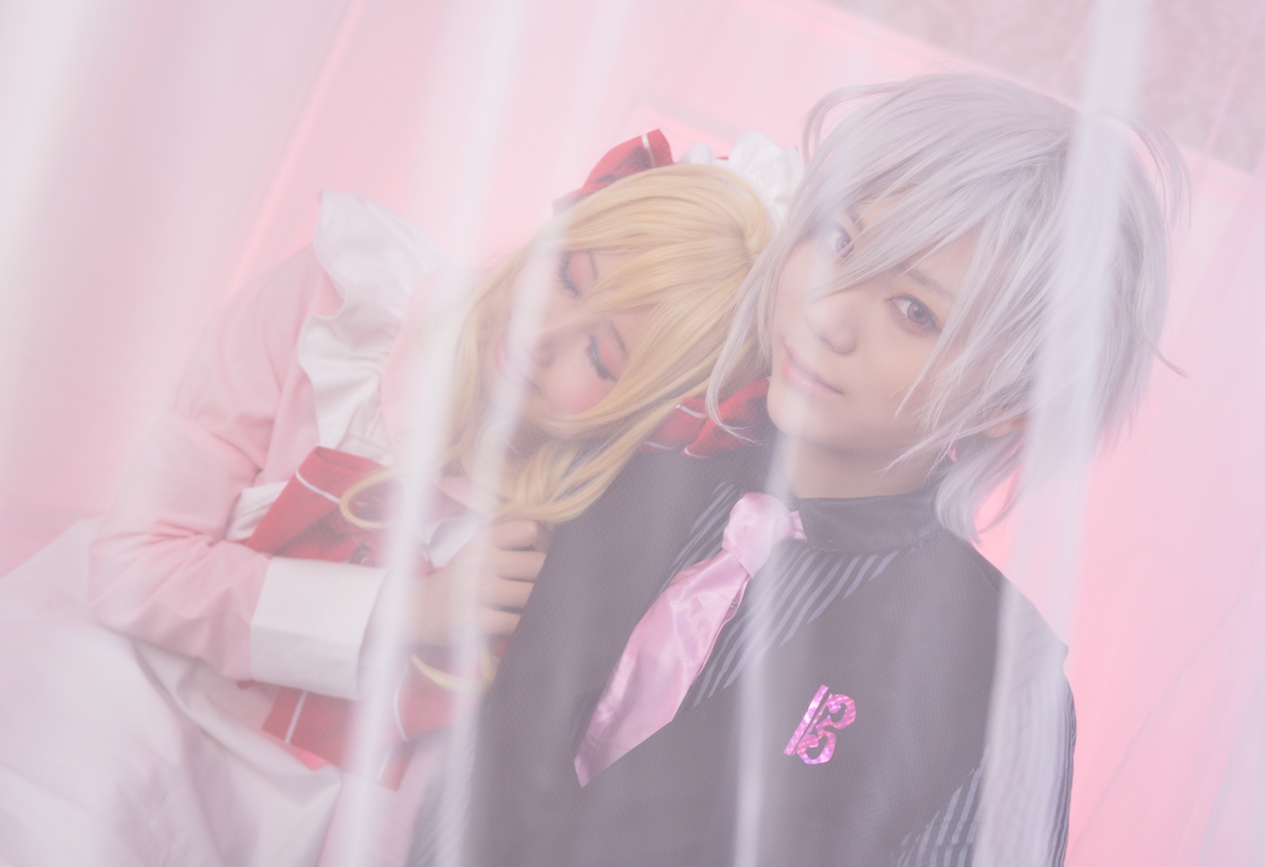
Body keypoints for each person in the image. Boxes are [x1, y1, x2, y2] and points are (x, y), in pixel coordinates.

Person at [433, 74, 1185, 866]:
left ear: (1011, 403)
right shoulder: (624, 438)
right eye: (839, 242)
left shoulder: (996, 681)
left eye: (915, 312)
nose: (828, 314)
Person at [0, 142, 783, 867]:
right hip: (125, 685)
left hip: (293, 817)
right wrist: (408, 610)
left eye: (600, 355)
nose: (542, 334)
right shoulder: (341, 304)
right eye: (569, 276)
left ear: (641, 413)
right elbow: (133, 568)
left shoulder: (570, 533)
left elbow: (422, 785)